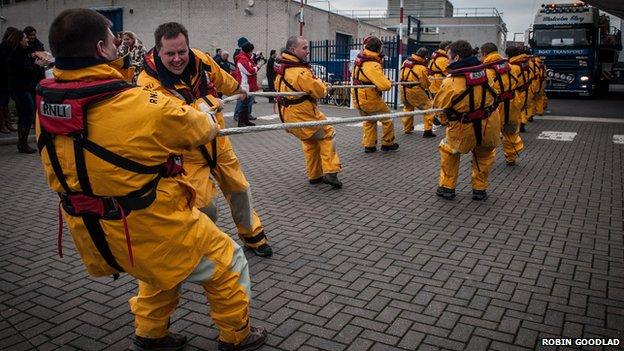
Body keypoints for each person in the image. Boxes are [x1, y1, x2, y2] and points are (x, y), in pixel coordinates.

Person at [36, 9, 266, 351]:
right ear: (101, 49)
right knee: (227, 261)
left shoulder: (50, 104)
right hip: (150, 221)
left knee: (160, 270)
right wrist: (206, 105)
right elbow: (201, 127)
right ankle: (237, 336)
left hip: (97, 230)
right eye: (115, 40)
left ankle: (151, 335)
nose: (120, 45)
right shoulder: (141, 101)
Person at [138, 22, 273, 258]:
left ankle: (252, 235)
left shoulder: (200, 59)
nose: (178, 58)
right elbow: (173, 116)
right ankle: (202, 245)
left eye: (182, 51)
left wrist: (238, 90)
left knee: (239, 188)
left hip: (216, 141)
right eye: (170, 53)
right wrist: (207, 103)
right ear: (158, 51)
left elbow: (221, 79)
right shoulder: (147, 83)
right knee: (203, 206)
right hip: (185, 152)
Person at [433, 40, 500, 201]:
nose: (447, 61)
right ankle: (479, 189)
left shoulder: (451, 82)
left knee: (449, 151)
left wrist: (441, 120)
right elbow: (495, 95)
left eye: (449, 57)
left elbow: (440, 106)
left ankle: (447, 187)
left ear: (456, 57)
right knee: (484, 156)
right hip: (488, 125)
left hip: (463, 128)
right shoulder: (487, 74)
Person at [274, 36, 342, 188]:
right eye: (304, 48)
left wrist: (320, 84)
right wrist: (325, 88)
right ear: (293, 50)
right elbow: (318, 91)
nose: (308, 51)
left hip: (289, 116)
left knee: (310, 141)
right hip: (303, 115)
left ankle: (314, 175)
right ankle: (331, 172)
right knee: (327, 133)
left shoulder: (284, 67)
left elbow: (308, 85)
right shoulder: (299, 71)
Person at [351, 35, 398, 153]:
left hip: (358, 97)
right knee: (387, 118)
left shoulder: (361, 59)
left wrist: (384, 79)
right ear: (378, 49)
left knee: (369, 121)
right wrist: (388, 82)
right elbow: (384, 86)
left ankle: (369, 145)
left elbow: (367, 77)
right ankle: (388, 143)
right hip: (370, 98)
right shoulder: (372, 64)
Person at [481, 42, 524, 166]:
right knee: (510, 131)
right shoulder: (510, 67)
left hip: (496, 105)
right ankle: (511, 158)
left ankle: (485, 160)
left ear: (484, 54)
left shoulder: (486, 70)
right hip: (512, 103)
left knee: (490, 135)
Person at [7, 29, 46, 153]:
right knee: (27, 114)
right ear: (19, 40)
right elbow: (24, 70)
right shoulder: (15, 55)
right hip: (19, 89)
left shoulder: (23, 52)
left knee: (26, 114)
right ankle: (22, 143)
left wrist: (34, 58)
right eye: (25, 38)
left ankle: (22, 143)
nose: (27, 39)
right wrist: (37, 65)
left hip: (24, 88)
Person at [399, 47, 435, 137]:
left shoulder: (405, 62)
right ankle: (428, 131)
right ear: (425, 57)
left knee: (408, 108)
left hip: (403, 89)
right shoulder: (421, 68)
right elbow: (425, 84)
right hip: (414, 90)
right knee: (428, 109)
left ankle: (407, 129)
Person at [233, 37, 262, 126]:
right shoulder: (242, 59)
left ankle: (245, 120)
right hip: (244, 85)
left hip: (249, 84)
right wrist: (258, 66)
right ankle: (241, 121)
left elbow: (251, 65)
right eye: (250, 51)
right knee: (243, 103)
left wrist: (256, 58)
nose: (251, 53)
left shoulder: (246, 58)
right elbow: (250, 71)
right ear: (247, 51)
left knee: (246, 104)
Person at [506, 46, 532, 133]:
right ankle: (523, 122)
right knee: (522, 109)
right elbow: (531, 76)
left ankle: (516, 131)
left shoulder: (512, 66)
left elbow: (509, 82)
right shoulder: (525, 63)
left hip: (516, 92)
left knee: (515, 112)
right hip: (525, 90)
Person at [0, 27, 19, 134]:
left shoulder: (11, 47)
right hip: (3, 79)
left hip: (8, 79)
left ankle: (7, 123)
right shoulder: (4, 48)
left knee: (5, 102)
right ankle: (3, 125)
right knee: (2, 102)